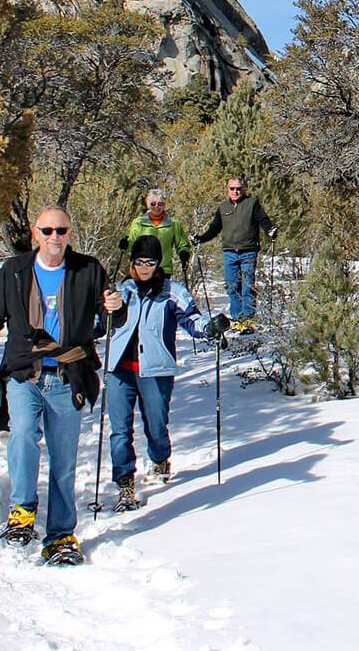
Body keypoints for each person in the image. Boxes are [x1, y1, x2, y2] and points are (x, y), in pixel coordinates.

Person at [0, 205, 122, 566]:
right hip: (23, 374)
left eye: (61, 231)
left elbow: (109, 319)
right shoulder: (14, 271)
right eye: (47, 231)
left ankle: (61, 536)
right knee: (23, 436)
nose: (54, 238)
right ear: (35, 233)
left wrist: (116, 306)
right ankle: (22, 511)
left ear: (70, 234)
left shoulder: (88, 270)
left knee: (63, 460)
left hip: (68, 377)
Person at [106, 235, 230, 510]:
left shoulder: (171, 292)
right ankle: (125, 484)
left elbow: (192, 319)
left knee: (156, 426)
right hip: (119, 371)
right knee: (119, 431)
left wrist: (210, 329)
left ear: (158, 263)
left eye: (150, 262)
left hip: (156, 370)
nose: (145, 267)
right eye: (140, 262)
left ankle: (160, 458)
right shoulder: (123, 291)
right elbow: (101, 321)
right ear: (132, 263)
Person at [194, 176, 275, 322]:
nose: (235, 191)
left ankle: (248, 319)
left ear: (243, 189)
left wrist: (270, 230)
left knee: (247, 286)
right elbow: (214, 229)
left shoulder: (252, 203)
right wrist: (200, 239)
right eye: (232, 188)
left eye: (238, 188)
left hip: (248, 252)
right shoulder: (223, 207)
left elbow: (263, 219)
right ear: (228, 189)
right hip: (229, 253)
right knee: (232, 286)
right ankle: (238, 319)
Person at [119, 188, 192, 278]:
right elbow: (131, 242)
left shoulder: (173, 224)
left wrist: (184, 253)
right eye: (153, 204)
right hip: (141, 269)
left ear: (165, 205)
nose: (156, 207)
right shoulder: (138, 222)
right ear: (148, 205)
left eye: (160, 204)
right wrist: (125, 245)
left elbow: (182, 244)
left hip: (163, 270)